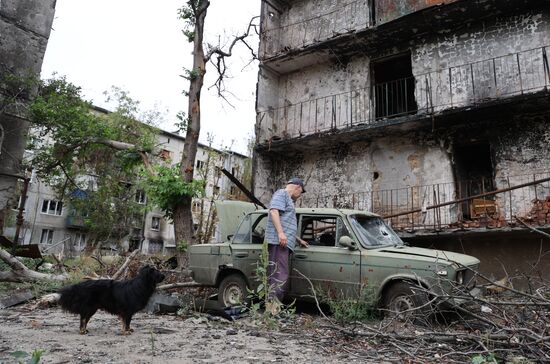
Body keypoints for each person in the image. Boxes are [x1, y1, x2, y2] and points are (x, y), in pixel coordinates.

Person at [264, 177, 309, 307]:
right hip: (278, 242)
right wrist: (280, 233)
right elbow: (274, 211)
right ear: (297, 187)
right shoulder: (281, 193)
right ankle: (272, 308)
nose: (299, 196)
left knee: (279, 273)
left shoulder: (288, 199)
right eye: (300, 193)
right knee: (279, 274)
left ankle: (273, 307)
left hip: (283, 242)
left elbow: (285, 223)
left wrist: (298, 239)